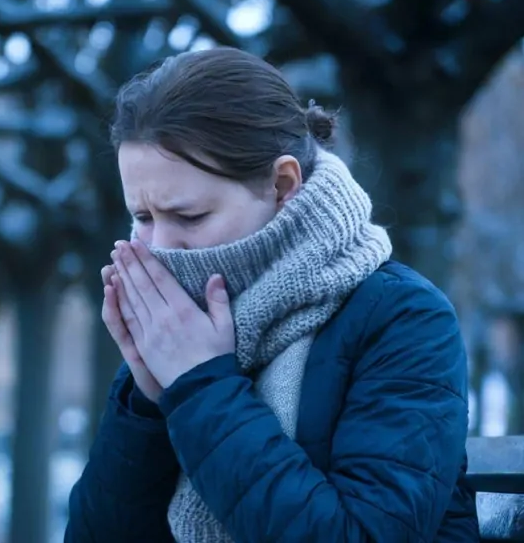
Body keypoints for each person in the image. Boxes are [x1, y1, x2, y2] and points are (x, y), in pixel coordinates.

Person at [64, 47, 478, 542]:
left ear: (283, 183)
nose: (159, 248)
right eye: (144, 218)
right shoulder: (182, 330)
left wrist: (199, 388)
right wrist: (147, 402)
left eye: (189, 217)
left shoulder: (405, 320)